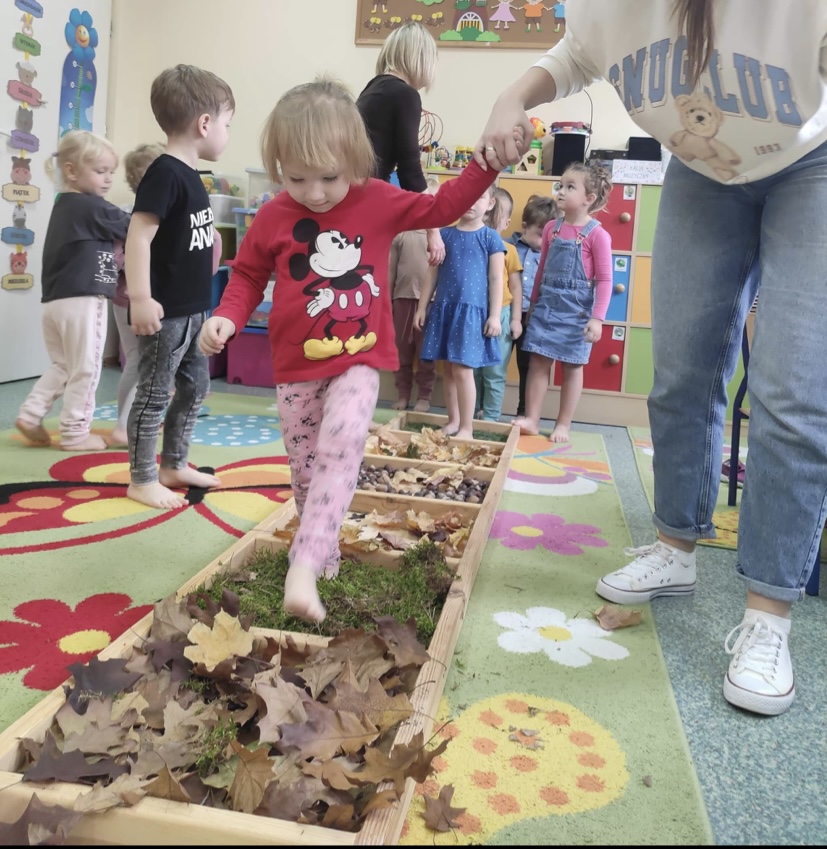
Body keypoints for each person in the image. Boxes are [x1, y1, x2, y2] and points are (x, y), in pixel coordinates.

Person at [475, 0, 827, 716]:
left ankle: (768, 615)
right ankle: (674, 548)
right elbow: (577, 52)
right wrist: (512, 95)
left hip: (812, 162)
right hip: (701, 169)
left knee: (791, 392)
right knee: (680, 375)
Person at [198, 78, 500, 624]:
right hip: (295, 370)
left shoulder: (376, 199)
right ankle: (326, 560)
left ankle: (303, 563)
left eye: (329, 177)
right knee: (306, 472)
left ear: (356, 162)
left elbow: (444, 205)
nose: (314, 193)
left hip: (359, 360)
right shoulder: (273, 216)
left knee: (341, 444)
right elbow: (246, 275)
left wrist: (486, 164)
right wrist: (227, 316)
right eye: (297, 178)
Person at [125, 64, 234, 510]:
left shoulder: (190, 175)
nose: (226, 134)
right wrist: (140, 297)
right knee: (155, 394)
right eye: (227, 124)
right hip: (166, 312)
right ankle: (142, 479)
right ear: (204, 124)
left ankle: (173, 463)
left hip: (193, 310)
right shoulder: (165, 173)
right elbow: (138, 235)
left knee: (195, 387)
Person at [15, 130, 130, 451]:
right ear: (71, 171)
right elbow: (133, 225)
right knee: (86, 367)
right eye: (100, 171)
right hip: (84, 298)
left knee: (63, 365)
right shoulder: (90, 206)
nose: (108, 179)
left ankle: (31, 412)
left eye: (111, 172)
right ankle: (75, 432)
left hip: (54, 301)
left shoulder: (64, 206)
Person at [514, 163, 613, 442]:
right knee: (538, 362)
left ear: (588, 199)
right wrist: (534, 303)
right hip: (546, 305)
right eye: (561, 185)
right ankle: (532, 419)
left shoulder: (597, 235)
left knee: (572, 366)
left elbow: (605, 280)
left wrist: (597, 319)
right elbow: (542, 268)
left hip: (576, 311)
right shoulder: (551, 229)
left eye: (570, 187)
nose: (561, 191)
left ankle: (563, 424)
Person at [414, 185, 505, 439]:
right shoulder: (444, 235)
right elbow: (431, 274)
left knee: (463, 370)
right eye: (467, 196)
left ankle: (467, 427)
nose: (472, 202)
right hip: (445, 310)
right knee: (450, 370)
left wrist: (495, 315)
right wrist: (422, 307)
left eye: (479, 197)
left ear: (490, 204)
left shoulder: (491, 238)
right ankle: (454, 421)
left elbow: (497, 279)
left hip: (471, 315)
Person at [356, 21, 445, 266]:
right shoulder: (405, 95)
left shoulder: (373, 88)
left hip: (351, 193)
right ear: (422, 59)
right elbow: (410, 172)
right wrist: (433, 231)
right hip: (365, 199)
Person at [108, 142, 165, 448]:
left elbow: (116, 259)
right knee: (147, 364)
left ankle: (125, 420)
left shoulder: (125, 214)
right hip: (144, 299)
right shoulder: (154, 216)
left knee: (134, 360)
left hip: (122, 297)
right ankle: (124, 425)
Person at [389, 176, 440, 413]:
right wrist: (387, 299)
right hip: (402, 299)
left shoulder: (440, 237)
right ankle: (403, 394)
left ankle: (424, 397)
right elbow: (391, 270)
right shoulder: (401, 233)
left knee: (426, 353)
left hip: (430, 303)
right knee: (402, 352)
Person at [474, 186, 524, 422]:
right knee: (473, 369)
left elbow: (516, 287)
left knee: (494, 371)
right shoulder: (473, 243)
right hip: (474, 314)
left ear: (506, 223)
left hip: (501, 315)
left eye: (496, 219)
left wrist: (516, 319)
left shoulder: (509, 250)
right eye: (487, 217)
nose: (489, 223)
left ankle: (491, 417)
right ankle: (472, 413)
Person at [509, 194, 558, 416]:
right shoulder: (508, 247)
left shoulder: (552, 255)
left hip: (533, 318)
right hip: (506, 313)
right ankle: (483, 407)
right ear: (524, 227)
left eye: (550, 236)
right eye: (540, 235)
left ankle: (524, 412)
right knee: (493, 363)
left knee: (528, 366)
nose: (545, 241)